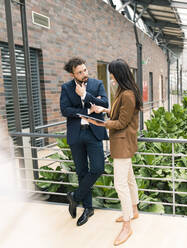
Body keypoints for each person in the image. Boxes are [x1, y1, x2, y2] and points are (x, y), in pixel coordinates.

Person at [82, 58, 142, 246]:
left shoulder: (128, 94)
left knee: (120, 184)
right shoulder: (124, 91)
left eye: (113, 74)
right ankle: (133, 211)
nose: (111, 77)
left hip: (123, 144)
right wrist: (104, 109)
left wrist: (98, 122)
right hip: (123, 143)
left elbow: (122, 123)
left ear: (119, 74)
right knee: (129, 179)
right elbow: (119, 113)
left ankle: (127, 225)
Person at [60, 57, 109, 226]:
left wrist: (86, 95)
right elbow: (64, 110)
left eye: (85, 70)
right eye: (80, 72)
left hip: (93, 133)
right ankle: (88, 208)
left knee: (98, 168)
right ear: (73, 74)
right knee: (81, 171)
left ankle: (75, 197)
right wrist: (87, 109)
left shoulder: (97, 84)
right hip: (76, 134)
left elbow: (105, 103)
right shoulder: (66, 88)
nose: (84, 74)